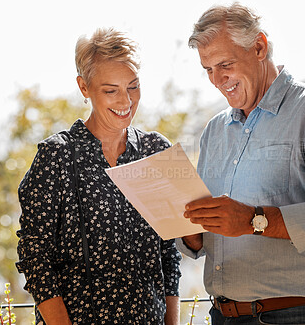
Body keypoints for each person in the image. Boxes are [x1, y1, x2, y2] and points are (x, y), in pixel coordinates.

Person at [177, 2, 305, 325]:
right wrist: (193, 234)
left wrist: (255, 219)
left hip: (299, 315)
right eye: (208, 69)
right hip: (223, 315)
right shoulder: (214, 131)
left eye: (225, 64)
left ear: (260, 47)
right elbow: (218, 229)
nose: (217, 79)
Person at [16, 28, 181, 325]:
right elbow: (36, 259)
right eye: (110, 90)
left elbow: (168, 255)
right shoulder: (57, 156)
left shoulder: (156, 150)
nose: (126, 101)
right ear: (84, 87)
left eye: (133, 86)